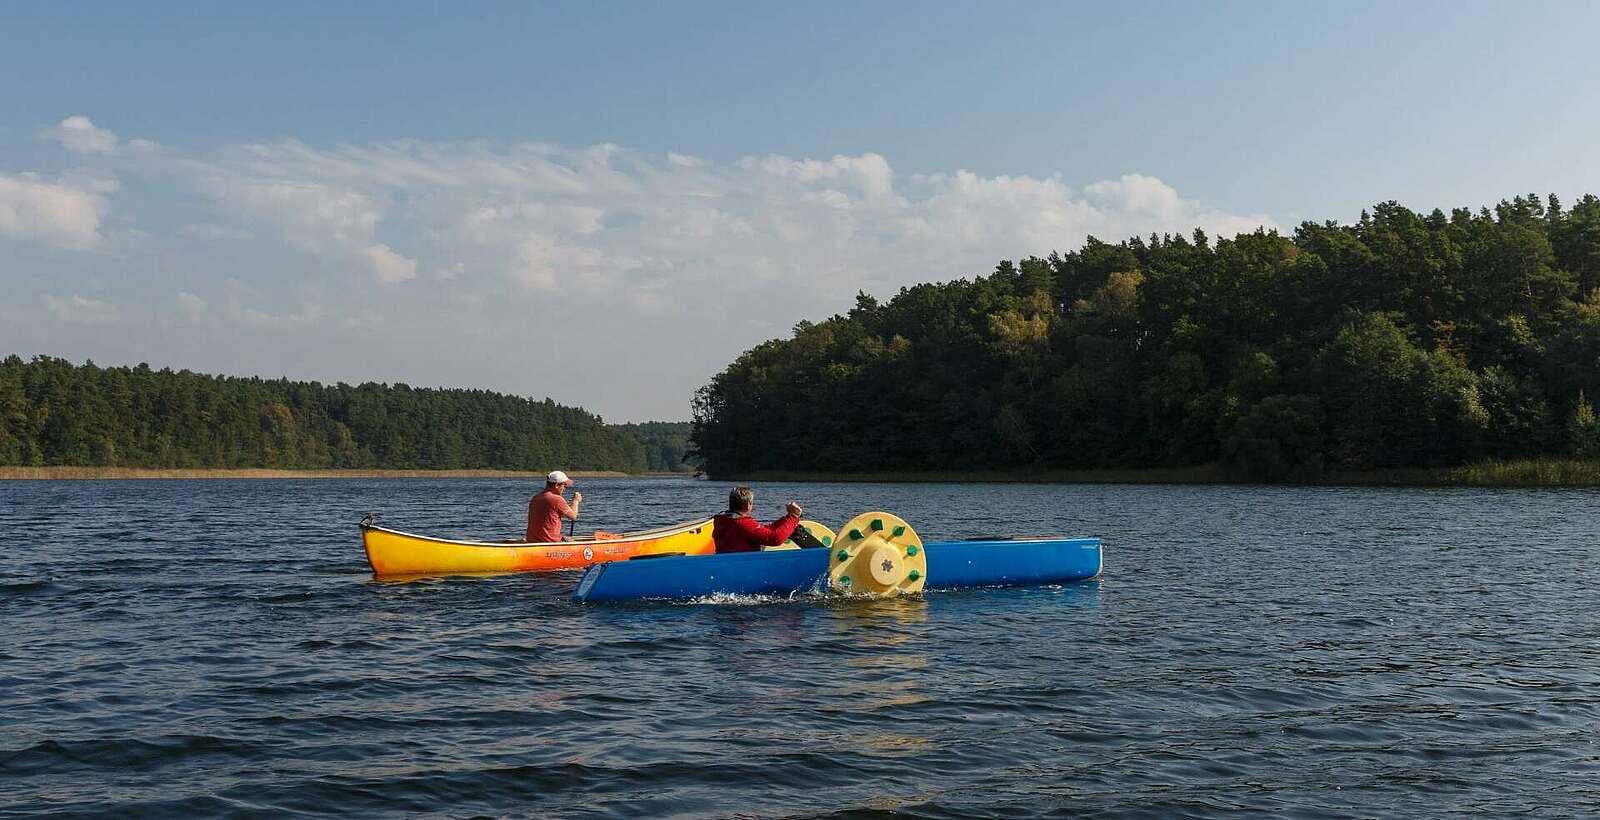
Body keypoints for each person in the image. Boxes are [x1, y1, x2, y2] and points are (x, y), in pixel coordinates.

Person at [712, 485, 802, 553]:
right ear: (748, 505)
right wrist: (793, 516)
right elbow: (775, 539)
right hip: (743, 568)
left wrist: (786, 519)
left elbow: (762, 530)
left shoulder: (723, 520)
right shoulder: (741, 523)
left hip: (729, 566)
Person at [527, 470, 582, 542]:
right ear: (556, 485)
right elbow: (573, 516)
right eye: (564, 485)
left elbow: (554, 513)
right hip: (550, 541)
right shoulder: (557, 499)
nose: (564, 488)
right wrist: (576, 501)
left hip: (532, 540)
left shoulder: (536, 497)